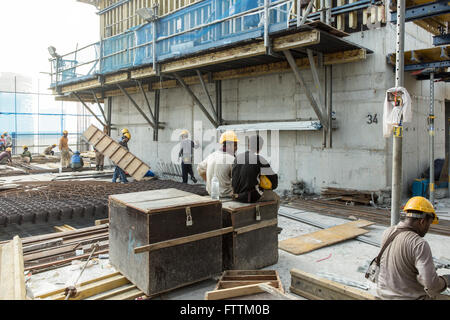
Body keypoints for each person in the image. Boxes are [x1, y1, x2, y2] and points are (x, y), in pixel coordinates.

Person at [376, 196, 450, 300]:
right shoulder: (419, 244)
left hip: (383, 296)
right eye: (429, 224)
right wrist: (446, 280)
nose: (428, 228)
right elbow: (432, 286)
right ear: (422, 221)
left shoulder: (388, 232)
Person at [231, 134, 280, 211]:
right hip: (250, 197)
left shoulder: (238, 157)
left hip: (236, 195)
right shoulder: (260, 160)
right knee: (275, 197)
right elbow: (274, 184)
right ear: (260, 147)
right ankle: (269, 220)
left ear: (248, 145)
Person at [197, 130, 238, 198]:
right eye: (235, 145)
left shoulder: (211, 156)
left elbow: (199, 168)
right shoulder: (232, 159)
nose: (236, 148)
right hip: (227, 196)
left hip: (211, 195)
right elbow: (237, 181)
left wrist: (209, 182)